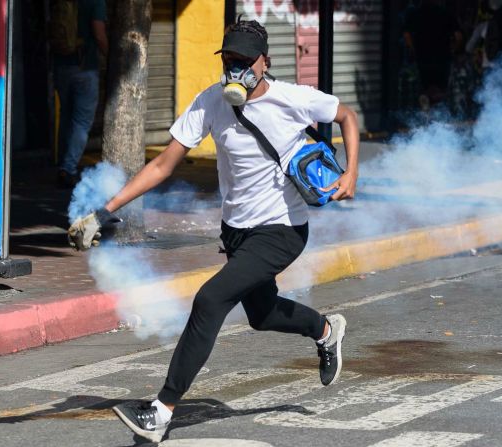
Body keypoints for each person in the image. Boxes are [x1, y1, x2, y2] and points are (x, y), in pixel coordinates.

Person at [67, 19, 360, 443]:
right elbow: (162, 165)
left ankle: (161, 411)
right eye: (229, 60)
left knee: (210, 299)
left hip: (282, 230)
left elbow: (347, 116)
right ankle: (326, 330)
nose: (235, 70)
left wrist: (351, 172)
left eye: (244, 61)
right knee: (261, 315)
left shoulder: (293, 99)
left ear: (265, 63)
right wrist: (104, 211)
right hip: (237, 231)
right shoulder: (210, 102)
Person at [53, 0, 108, 188]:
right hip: (85, 68)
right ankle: (68, 169)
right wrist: (110, 58)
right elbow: (99, 34)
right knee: (82, 122)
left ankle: (61, 163)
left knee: (66, 117)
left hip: (62, 66)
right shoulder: (96, 2)